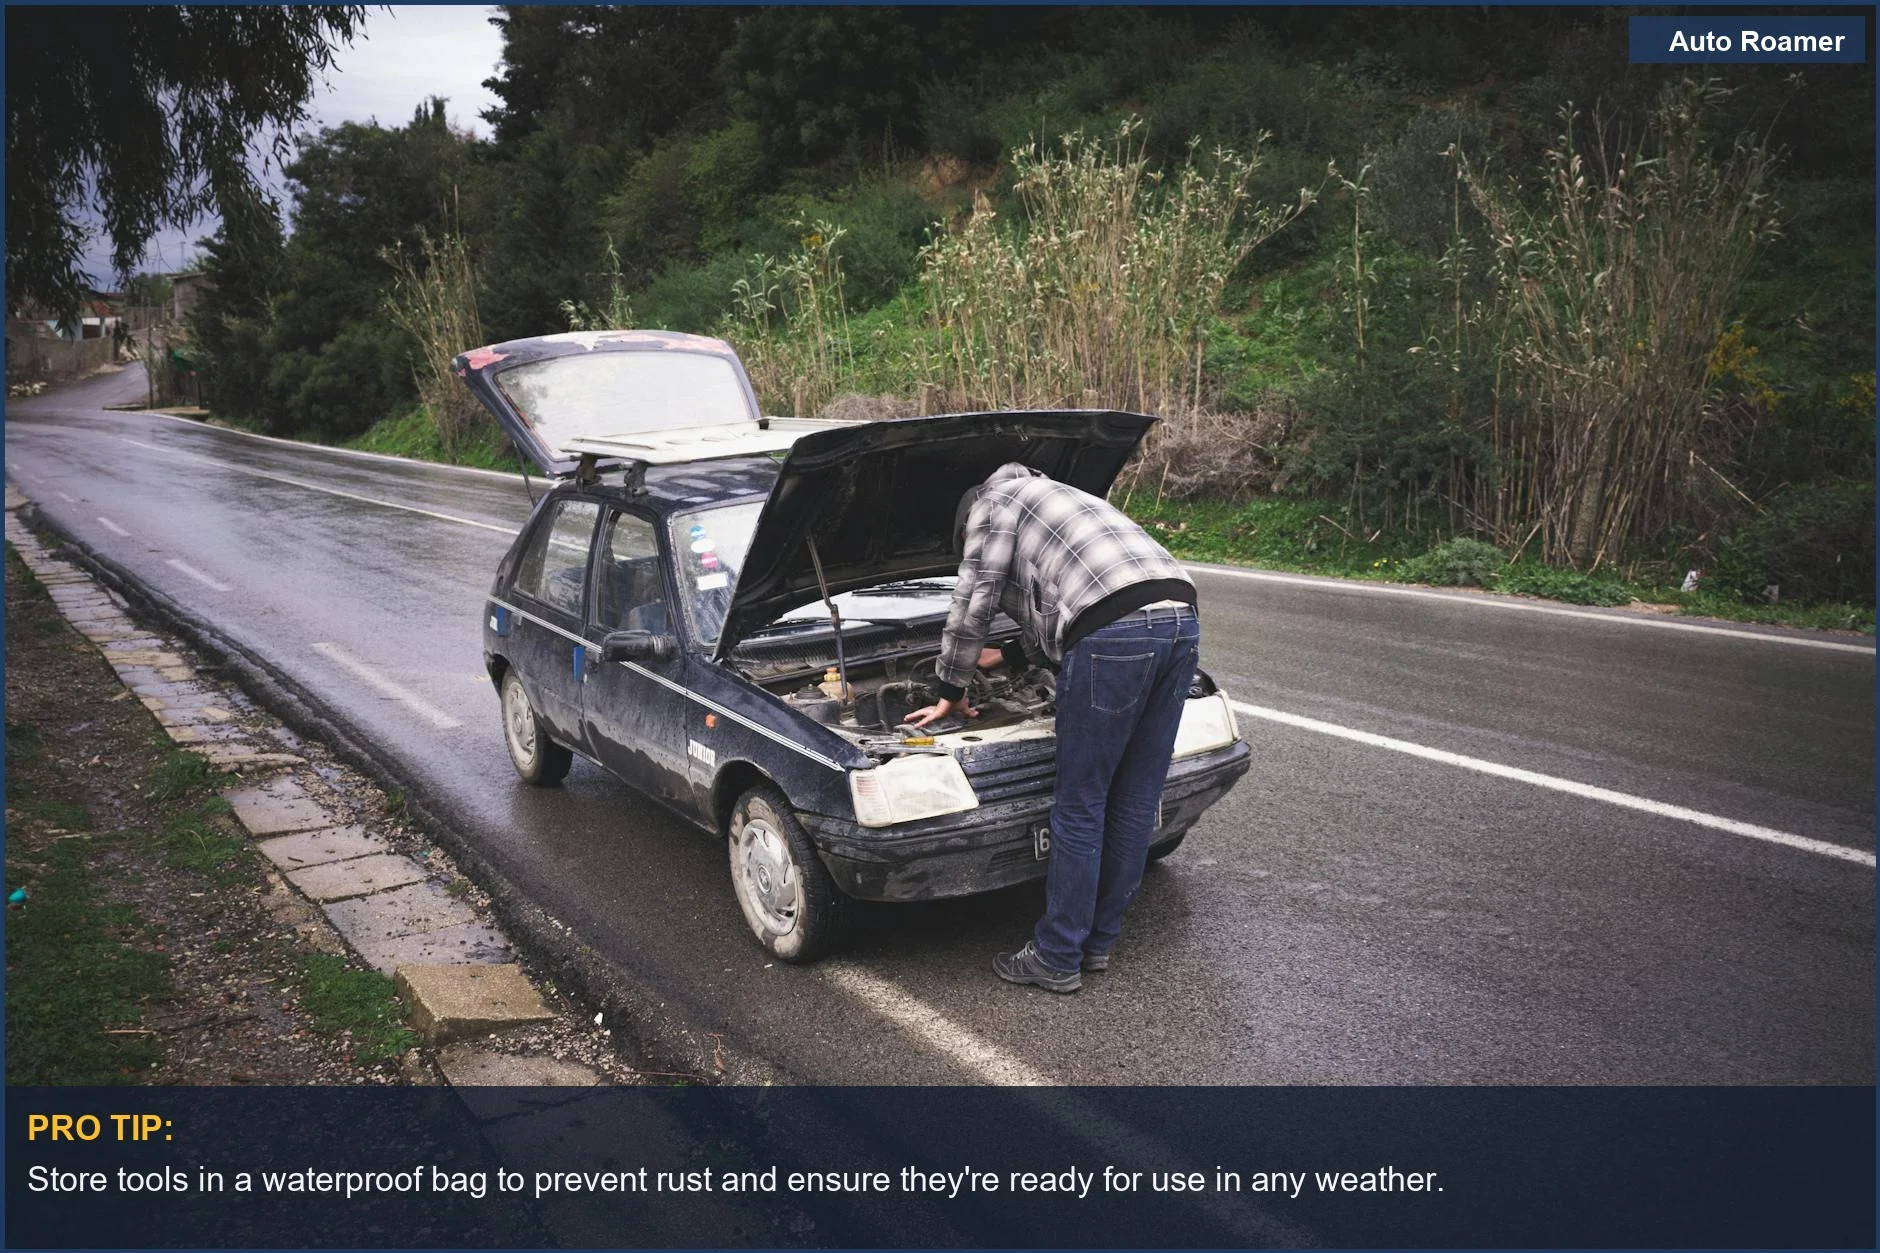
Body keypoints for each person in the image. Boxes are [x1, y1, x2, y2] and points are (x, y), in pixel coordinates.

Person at [907, 463, 1199, 992]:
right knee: (1134, 797)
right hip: (1180, 615)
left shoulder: (992, 504)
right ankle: (1098, 943)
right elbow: (1069, 595)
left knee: (1080, 803)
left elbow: (975, 602)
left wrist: (951, 688)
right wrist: (1011, 654)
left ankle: (1056, 955)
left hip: (1115, 633)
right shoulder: (1061, 493)